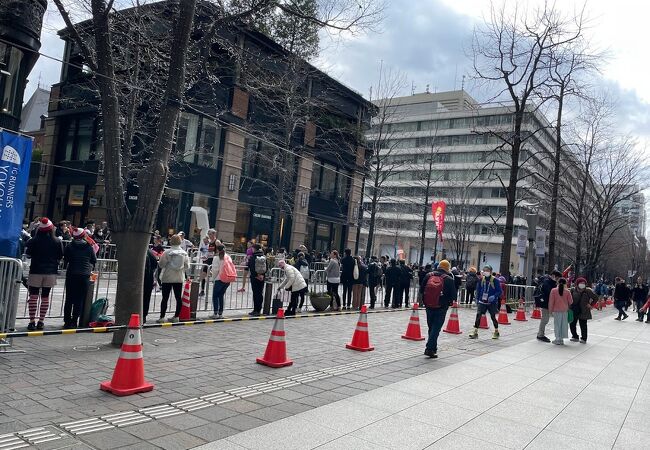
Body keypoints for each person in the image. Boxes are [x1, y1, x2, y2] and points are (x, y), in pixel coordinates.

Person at [24, 218, 64, 330]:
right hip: (51, 272)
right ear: (51, 229)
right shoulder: (57, 241)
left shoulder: (33, 240)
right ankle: (41, 321)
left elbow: (28, 254)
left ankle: (32, 321)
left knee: (33, 296)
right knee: (45, 296)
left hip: (36, 270)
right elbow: (60, 256)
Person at [420, 259, 456, 358]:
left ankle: (433, 349)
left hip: (428, 305)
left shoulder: (428, 275)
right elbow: (453, 296)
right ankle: (429, 348)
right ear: (447, 268)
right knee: (436, 328)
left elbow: (421, 290)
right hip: (441, 307)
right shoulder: (449, 279)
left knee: (431, 327)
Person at [63, 227, 97, 329]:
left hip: (72, 274)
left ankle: (67, 321)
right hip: (84, 275)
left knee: (69, 298)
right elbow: (93, 260)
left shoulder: (70, 246)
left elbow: (66, 259)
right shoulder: (89, 247)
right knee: (79, 299)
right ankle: (74, 321)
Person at [157, 234, 190, 323]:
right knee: (178, 297)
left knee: (165, 298)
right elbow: (187, 266)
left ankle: (162, 317)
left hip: (167, 277)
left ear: (171, 241)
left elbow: (161, 264)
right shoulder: (184, 253)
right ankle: (176, 316)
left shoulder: (167, 252)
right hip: (179, 278)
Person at [469, 265, 503, 340]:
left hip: (491, 302)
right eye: (484, 270)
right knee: (478, 315)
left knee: (493, 317)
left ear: (490, 271)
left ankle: (496, 331)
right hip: (482, 301)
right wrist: (477, 299)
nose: (485, 272)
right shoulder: (481, 279)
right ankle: (475, 332)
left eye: (487, 270)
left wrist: (494, 296)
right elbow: (478, 290)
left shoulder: (495, 280)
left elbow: (500, 291)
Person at [536, 269, 562, 343]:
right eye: (557, 278)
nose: (558, 280)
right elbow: (550, 293)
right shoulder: (547, 282)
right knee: (545, 319)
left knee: (546, 319)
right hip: (545, 304)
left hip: (548, 303)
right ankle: (540, 335)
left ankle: (540, 334)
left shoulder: (550, 282)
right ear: (553, 276)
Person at [570, 277, 598, 343]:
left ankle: (584, 338)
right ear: (577, 283)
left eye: (584, 283)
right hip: (574, 309)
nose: (582, 284)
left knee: (583, 325)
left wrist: (591, 305)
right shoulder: (572, 290)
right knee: (572, 324)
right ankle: (575, 336)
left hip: (584, 310)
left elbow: (595, 298)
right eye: (581, 283)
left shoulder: (588, 290)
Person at [210, 244, 235, 319]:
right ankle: (220, 313)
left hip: (219, 279)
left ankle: (215, 313)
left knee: (215, 296)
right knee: (221, 295)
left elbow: (215, 270)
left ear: (217, 250)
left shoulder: (216, 258)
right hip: (227, 279)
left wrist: (213, 279)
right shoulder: (228, 257)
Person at [549, 278, 572, 345]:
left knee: (557, 325)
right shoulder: (567, 291)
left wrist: (550, 311)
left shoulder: (553, 290)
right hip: (565, 311)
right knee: (564, 325)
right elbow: (571, 302)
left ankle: (557, 339)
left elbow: (551, 302)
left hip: (556, 310)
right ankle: (561, 339)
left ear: (557, 283)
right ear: (565, 284)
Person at [247, 243, 266, 316]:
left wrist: (256, 275)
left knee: (255, 294)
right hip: (262, 278)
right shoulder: (264, 256)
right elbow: (266, 267)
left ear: (254, 249)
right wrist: (262, 275)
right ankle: (259, 309)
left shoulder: (253, 257)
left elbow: (251, 267)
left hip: (255, 278)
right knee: (260, 293)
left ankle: (255, 310)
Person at [199, 229, 219, 296]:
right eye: (208, 234)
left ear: (214, 234)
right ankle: (200, 286)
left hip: (215, 260)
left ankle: (196, 282)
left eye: (210, 234)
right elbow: (209, 252)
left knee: (206, 272)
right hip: (209, 259)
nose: (209, 236)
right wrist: (205, 256)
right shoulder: (210, 242)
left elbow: (222, 250)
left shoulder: (217, 242)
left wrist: (216, 254)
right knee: (204, 271)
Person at [143, 247, 158, 324]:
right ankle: (144, 316)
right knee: (146, 298)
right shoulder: (150, 252)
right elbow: (155, 264)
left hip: (141, 279)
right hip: (148, 278)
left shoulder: (136, 250)